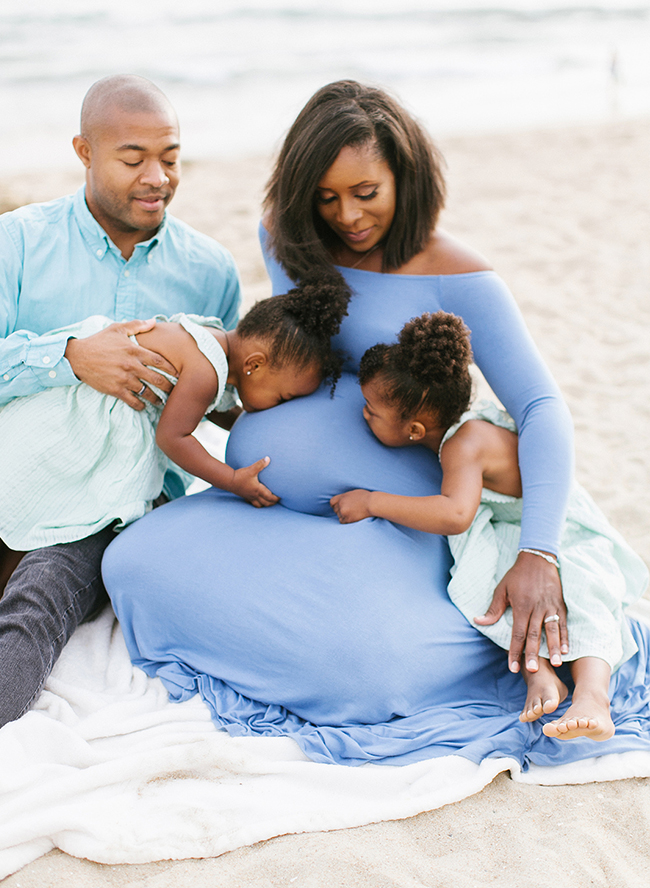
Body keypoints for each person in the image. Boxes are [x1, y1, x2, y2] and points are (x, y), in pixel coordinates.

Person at [103, 81, 650, 768]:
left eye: (367, 192)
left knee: (366, 668)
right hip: (280, 504)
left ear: (406, 174)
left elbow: (542, 409)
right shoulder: (289, 239)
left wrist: (537, 551)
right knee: (133, 563)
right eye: (326, 197)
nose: (348, 217)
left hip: (410, 515)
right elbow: (292, 359)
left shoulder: (460, 278)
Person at [0, 74, 241, 727]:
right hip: (18, 476)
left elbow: (230, 400)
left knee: (39, 597)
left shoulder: (212, 268)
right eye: (134, 159)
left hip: (120, 508)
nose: (157, 176)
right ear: (83, 151)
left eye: (170, 157)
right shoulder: (18, 243)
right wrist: (71, 357)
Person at [330, 311, 649, 741]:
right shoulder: (454, 430)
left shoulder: (464, 443)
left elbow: (455, 514)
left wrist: (373, 502)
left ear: (415, 429)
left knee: (583, 592)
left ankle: (593, 694)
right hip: (511, 526)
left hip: (559, 528)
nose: (364, 416)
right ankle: (541, 674)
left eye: (372, 411)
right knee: (492, 587)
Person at [0, 274, 348, 551]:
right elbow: (173, 437)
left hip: (68, 400)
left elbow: (211, 407)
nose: (279, 409)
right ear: (254, 365)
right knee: (54, 507)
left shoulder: (210, 340)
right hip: (78, 423)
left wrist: (239, 421)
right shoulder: (206, 373)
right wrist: (231, 480)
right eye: (283, 398)